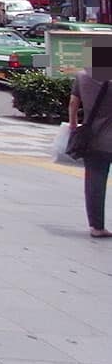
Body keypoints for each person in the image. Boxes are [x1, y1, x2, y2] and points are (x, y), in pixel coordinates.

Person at [68, 66, 112, 238]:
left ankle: (96, 227)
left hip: (92, 138)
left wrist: (73, 125)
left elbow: (73, 103)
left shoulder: (82, 76)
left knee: (95, 181)